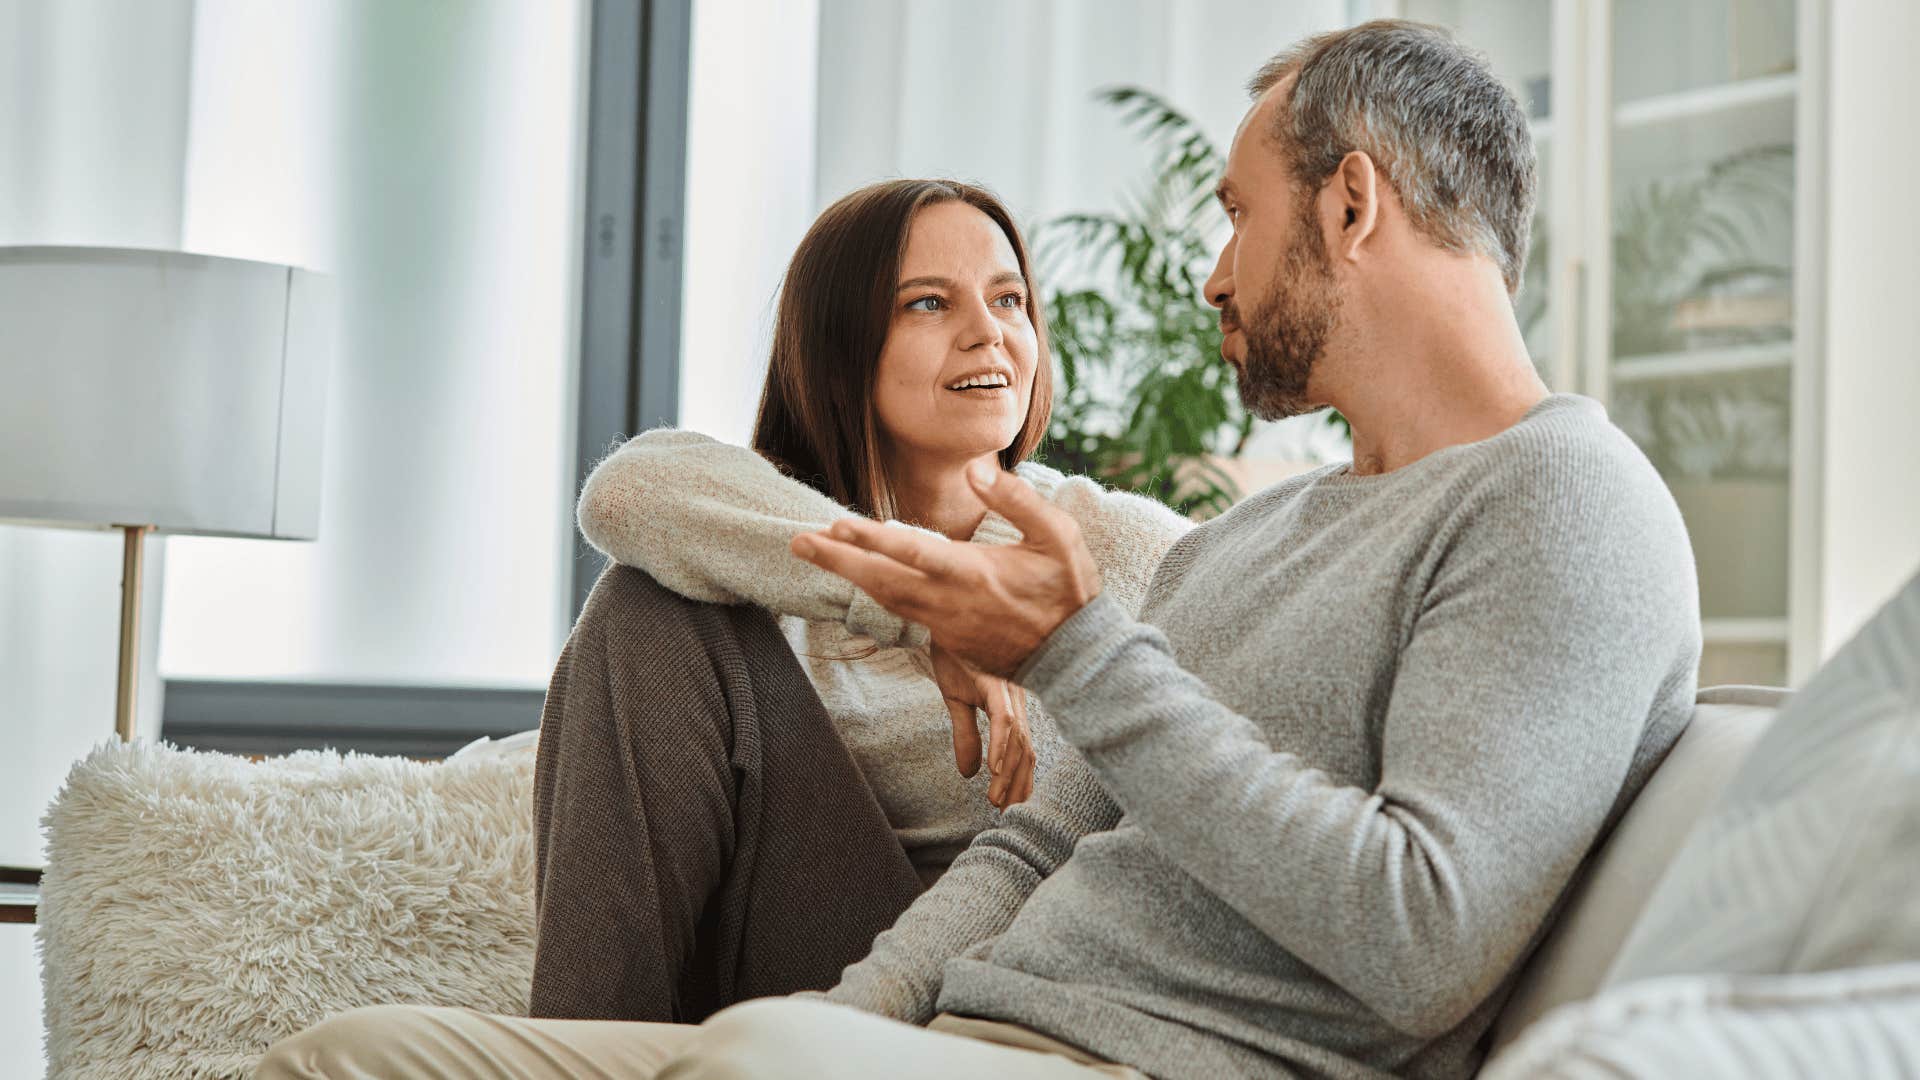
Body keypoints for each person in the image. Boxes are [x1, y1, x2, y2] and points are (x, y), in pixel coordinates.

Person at [255, 18, 1701, 1080]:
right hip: (958, 1024)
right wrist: (861, 1014)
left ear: (1351, 203)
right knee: (348, 1055)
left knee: (756, 1068)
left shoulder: (1565, 503)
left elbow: (1420, 935)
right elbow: (1038, 844)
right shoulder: (1248, 542)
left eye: (1236, 217)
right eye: (928, 306)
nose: (1210, 273)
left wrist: (1073, 652)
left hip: (1141, 1062)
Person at [533, 178, 1195, 1027]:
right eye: (929, 303)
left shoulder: (1116, 544)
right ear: (841, 345)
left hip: (1019, 976)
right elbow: (624, 494)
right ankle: (582, 1048)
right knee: (644, 607)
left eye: (1010, 300)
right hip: (801, 952)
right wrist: (925, 610)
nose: (987, 331)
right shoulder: (767, 528)